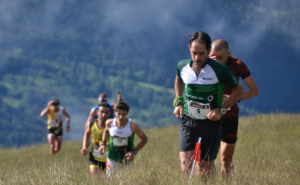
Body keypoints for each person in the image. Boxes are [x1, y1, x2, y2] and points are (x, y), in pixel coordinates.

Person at [173, 31, 244, 177]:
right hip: (189, 120)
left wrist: (221, 109)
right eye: (194, 53)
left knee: (204, 169)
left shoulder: (220, 69)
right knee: (186, 165)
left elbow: (240, 91)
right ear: (189, 48)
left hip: (211, 123)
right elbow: (179, 80)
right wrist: (179, 102)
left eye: (202, 53)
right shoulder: (183, 66)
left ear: (208, 51)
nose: (197, 58)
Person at [209, 39, 259, 178]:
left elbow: (254, 90)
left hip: (230, 115)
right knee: (206, 158)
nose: (216, 60)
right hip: (208, 115)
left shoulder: (237, 65)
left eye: (221, 57)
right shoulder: (204, 63)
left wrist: (235, 98)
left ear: (229, 54)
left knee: (226, 159)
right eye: (213, 56)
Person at [99, 102, 148, 178]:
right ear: (115, 112)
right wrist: (103, 144)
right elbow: (106, 130)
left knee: (124, 180)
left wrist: (134, 151)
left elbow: (144, 138)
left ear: (127, 113)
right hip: (112, 156)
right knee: (111, 180)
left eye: (123, 114)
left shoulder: (133, 125)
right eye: (118, 114)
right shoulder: (109, 123)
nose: (121, 117)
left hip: (126, 157)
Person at [80, 102, 111, 176]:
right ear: (97, 112)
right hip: (94, 156)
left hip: (108, 157)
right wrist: (84, 147)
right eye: (102, 112)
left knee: (105, 181)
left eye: (106, 113)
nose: (104, 115)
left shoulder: (112, 126)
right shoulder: (91, 124)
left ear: (109, 114)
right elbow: (86, 134)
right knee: (95, 179)